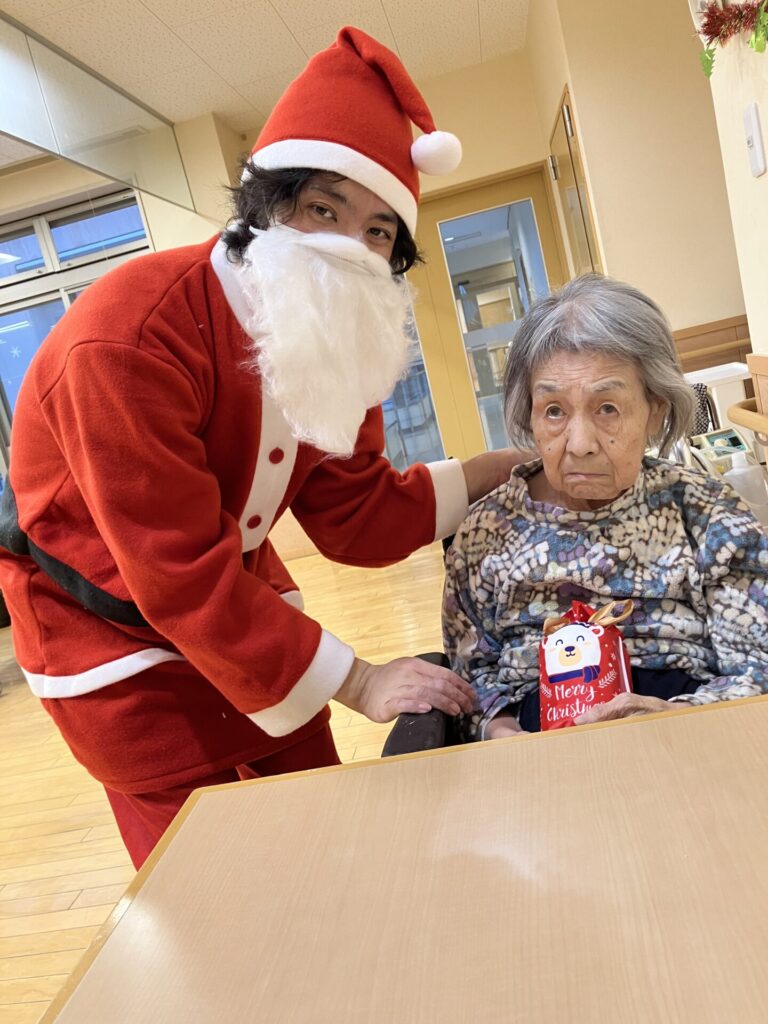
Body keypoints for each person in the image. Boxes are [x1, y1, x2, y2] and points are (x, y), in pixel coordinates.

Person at [0, 27, 519, 868]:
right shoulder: (129, 337)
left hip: (240, 611)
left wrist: (502, 469)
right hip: (108, 638)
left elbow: (355, 513)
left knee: (326, 835)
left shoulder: (330, 333)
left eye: (378, 231)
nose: (348, 247)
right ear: (265, 205)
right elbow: (175, 572)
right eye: (324, 210)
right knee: (209, 872)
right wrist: (359, 680)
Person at [442, 274, 768, 741]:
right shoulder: (486, 531)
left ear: (655, 410)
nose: (580, 444)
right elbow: (472, 676)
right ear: (529, 413)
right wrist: (502, 732)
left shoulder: (708, 514)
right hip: (536, 747)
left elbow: (757, 668)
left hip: (688, 733)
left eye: (607, 408)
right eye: (554, 410)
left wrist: (676, 718)